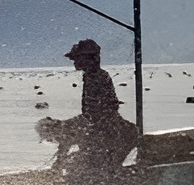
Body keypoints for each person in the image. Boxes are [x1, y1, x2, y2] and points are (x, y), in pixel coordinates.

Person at [37, 38, 139, 175]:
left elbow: (99, 112)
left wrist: (58, 165)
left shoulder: (96, 77)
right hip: (111, 130)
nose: (74, 62)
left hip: (113, 133)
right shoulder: (94, 76)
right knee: (86, 162)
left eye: (76, 58)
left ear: (88, 59)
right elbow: (96, 112)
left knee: (92, 167)